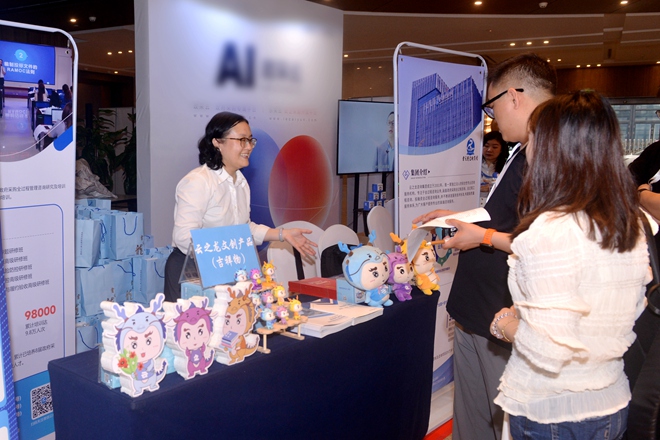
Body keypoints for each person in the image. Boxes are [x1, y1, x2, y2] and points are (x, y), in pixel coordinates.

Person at [490, 90, 649, 439]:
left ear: (551, 149)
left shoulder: (552, 231)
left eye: (533, 137)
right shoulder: (628, 223)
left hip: (552, 412)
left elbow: (546, 350)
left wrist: (505, 323)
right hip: (610, 400)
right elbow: (630, 307)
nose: (528, 147)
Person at [412, 53, 556, 440]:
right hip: (478, 306)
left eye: (491, 107)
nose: (492, 119)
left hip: (504, 316)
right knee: (474, 418)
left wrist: (484, 237)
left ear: (513, 97)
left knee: (505, 420)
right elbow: (508, 216)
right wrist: (461, 218)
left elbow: (549, 243)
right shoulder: (524, 148)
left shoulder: (551, 154)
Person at [163, 111, 318, 302]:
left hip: (224, 268)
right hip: (191, 273)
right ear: (217, 142)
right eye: (242, 140)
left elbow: (244, 229)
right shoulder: (198, 181)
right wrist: (225, 251)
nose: (249, 147)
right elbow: (183, 237)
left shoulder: (241, 182)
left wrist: (282, 234)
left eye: (250, 140)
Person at [480, 130, 508, 205]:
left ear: (501, 149)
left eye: (495, 147)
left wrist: (490, 188)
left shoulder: (506, 167)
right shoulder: (473, 165)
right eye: (486, 146)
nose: (489, 150)